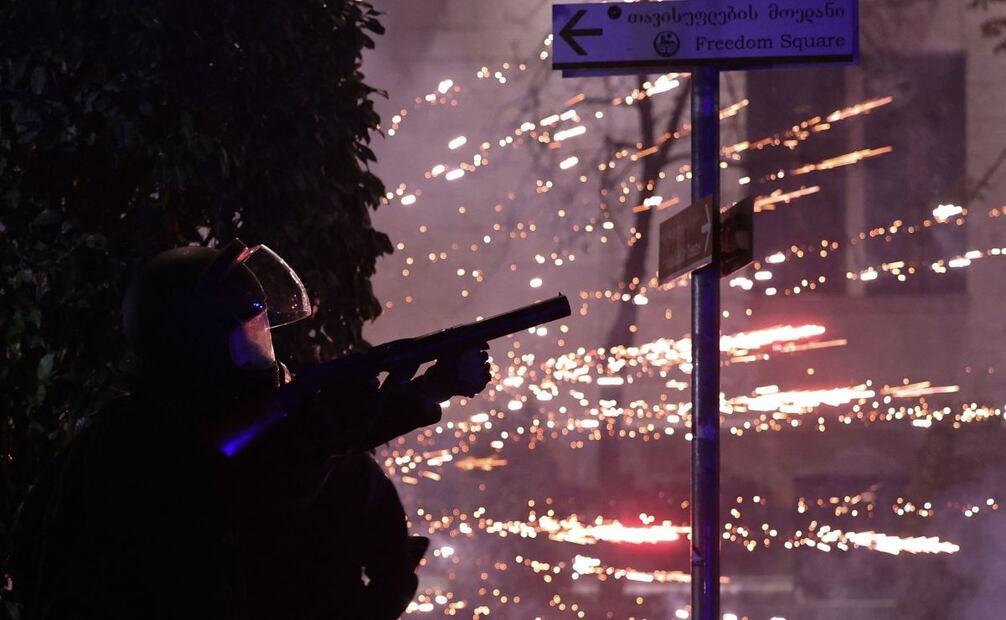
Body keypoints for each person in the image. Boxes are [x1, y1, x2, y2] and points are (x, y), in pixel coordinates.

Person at [6, 240, 491, 619]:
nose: (264, 351)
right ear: (198, 347)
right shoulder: (135, 450)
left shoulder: (138, 433)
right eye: (248, 335)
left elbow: (289, 450)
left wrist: (427, 391)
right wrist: (339, 416)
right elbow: (259, 479)